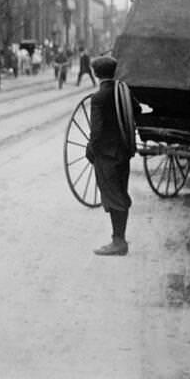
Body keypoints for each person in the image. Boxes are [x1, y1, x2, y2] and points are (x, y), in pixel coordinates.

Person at [85, 55, 139, 256]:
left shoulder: (99, 98)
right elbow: (137, 110)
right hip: (123, 152)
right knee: (121, 192)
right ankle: (119, 238)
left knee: (113, 195)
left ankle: (119, 242)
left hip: (106, 154)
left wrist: (90, 150)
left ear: (95, 73)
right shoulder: (123, 92)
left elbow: (97, 131)